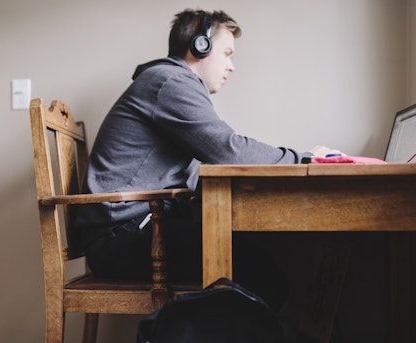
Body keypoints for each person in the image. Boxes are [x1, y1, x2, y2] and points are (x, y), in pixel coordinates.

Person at [75, 8, 323, 311]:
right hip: (122, 237)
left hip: (127, 230)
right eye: (227, 53)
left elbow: (211, 159)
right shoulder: (171, 81)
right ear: (199, 47)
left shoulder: (167, 82)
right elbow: (229, 150)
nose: (231, 66)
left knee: (259, 259)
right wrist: (308, 161)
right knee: (264, 275)